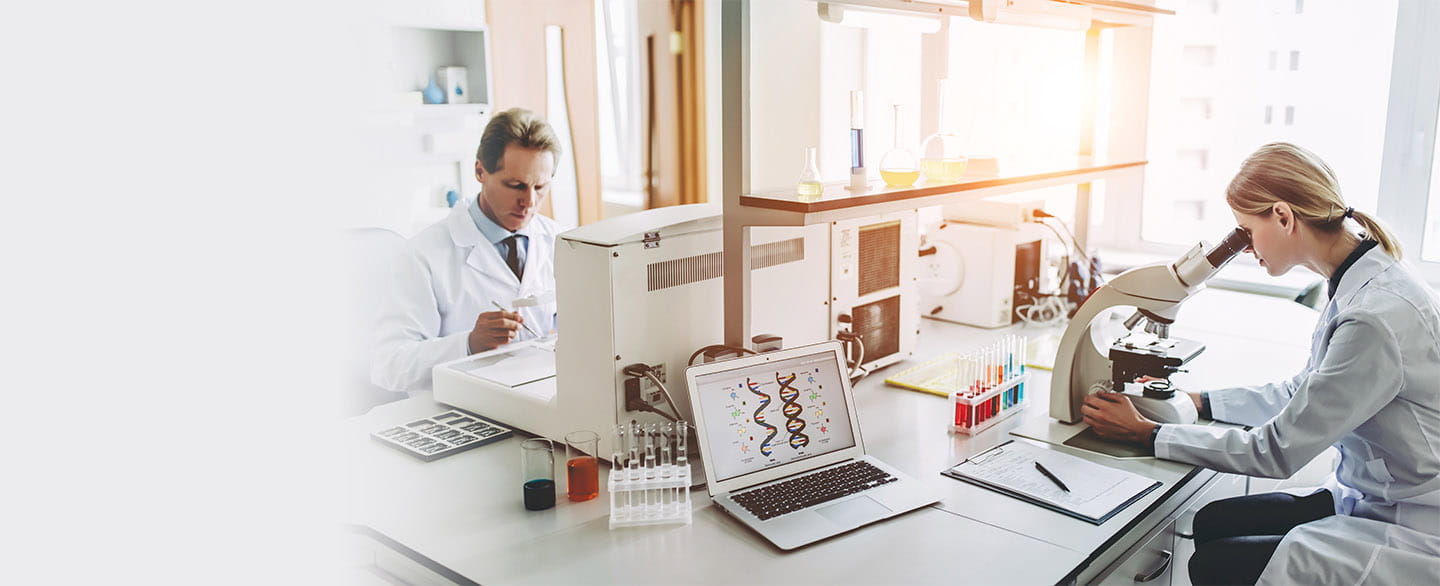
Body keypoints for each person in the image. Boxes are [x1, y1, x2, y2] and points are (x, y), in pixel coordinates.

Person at [1082, 143, 1440, 585]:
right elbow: (1303, 393)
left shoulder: (1374, 316)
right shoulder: (1359, 275)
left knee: (1214, 566)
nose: (1245, 248)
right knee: (1212, 522)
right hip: (1378, 493)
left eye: (1245, 231)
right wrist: (1199, 401)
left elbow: (1277, 452)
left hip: (1415, 525)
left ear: (1284, 217)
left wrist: (1150, 434)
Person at [371, 108, 563, 393]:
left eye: (540, 186)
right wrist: (468, 344)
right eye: (515, 185)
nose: (529, 201)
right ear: (480, 172)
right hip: (460, 411)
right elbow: (388, 366)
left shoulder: (560, 241)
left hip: (540, 401)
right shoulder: (423, 254)